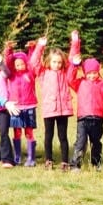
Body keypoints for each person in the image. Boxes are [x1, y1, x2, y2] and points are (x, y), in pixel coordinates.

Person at [30, 32, 80, 170]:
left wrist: (75, 42)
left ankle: (64, 162)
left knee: (63, 136)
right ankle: (48, 160)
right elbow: (34, 62)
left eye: (59, 62)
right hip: (49, 109)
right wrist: (40, 46)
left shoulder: (65, 72)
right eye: (54, 62)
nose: (57, 64)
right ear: (49, 61)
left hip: (63, 110)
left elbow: (72, 59)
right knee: (49, 135)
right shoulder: (43, 73)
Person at [67, 57, 103, 171]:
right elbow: (69, 79)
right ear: (85, 73)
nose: (92, 76)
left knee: (96, 143)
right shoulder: (80, 83)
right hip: (83, 119)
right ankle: (75, 165)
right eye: (89, 73)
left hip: (97, 119)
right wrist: (74, 66)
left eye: (94, 73)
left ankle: (96, 164)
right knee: (81, 142)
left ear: (98, 72)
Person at [4, 45, 37, 166]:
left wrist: (32, 49)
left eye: (22, 64)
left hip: (29, 106)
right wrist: (9, 50)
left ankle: (31, 158)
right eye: (17, 65)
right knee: (17, 132)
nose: (20, 66)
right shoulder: (11, 75)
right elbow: (7, 62)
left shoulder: (31, 73)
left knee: (29, 132)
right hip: (16, 107)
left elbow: (33, 61)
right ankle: (17, 156)